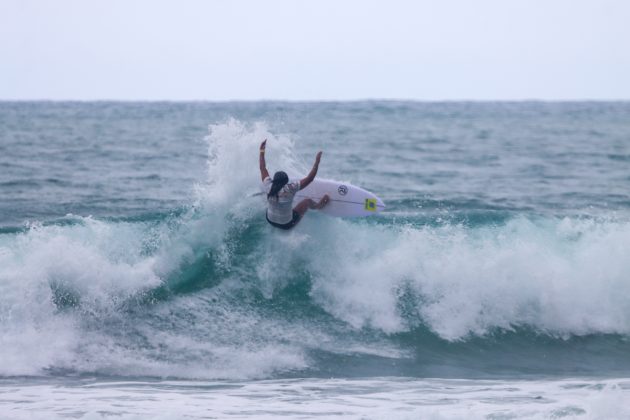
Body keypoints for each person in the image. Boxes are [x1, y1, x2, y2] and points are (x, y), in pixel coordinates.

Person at [259, 139, 329, 230]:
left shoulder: (268, 185)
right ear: (286, 182)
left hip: (270, 220)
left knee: (269, 198)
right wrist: (317, 162)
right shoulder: (290, 188)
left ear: (274, 180)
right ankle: (319, 206)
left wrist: (261, 151)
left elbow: (262, 168)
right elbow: (310, 178)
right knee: (307, 201)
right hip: (287, 225)